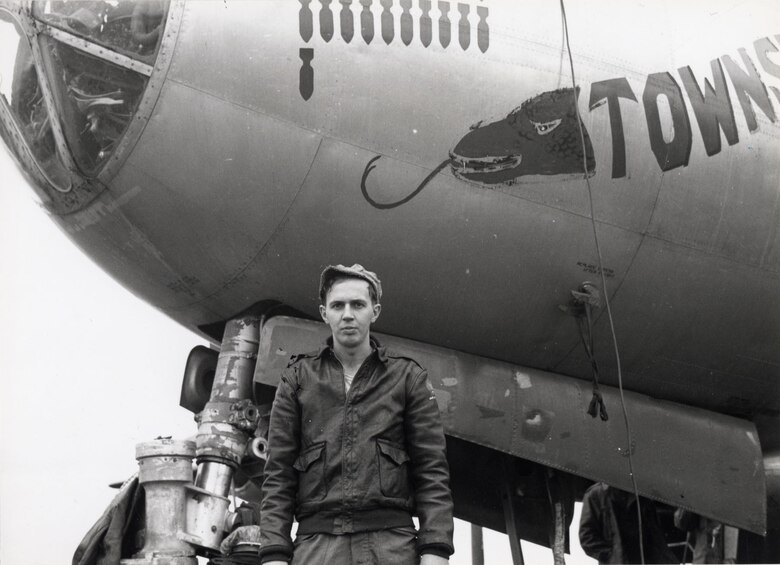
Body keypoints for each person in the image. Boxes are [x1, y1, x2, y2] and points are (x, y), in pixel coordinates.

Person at [257, 264, 454, 565]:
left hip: (391, 547)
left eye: (358, 304)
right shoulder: (296, 379)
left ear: (374, 311)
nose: (347, 314)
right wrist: (273, 554)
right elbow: (278, 476)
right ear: (324, 313)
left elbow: (432, 472)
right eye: (337, 305)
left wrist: (435, 550)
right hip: (317, 548)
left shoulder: (407, 378)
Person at [579, 482, 676, 564]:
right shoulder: (595, 495)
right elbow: (587, 538)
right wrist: (613, 555)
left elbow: (655, 536)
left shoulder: (642, 495)